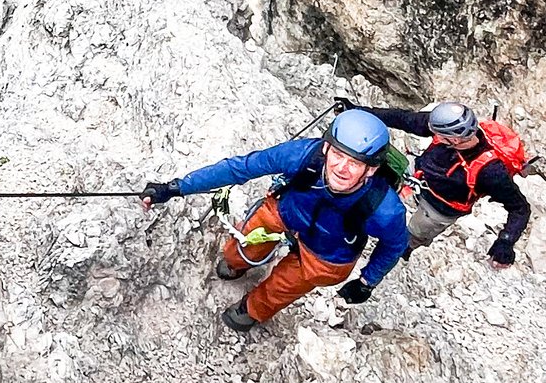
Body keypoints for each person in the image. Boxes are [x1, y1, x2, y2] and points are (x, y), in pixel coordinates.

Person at [142, 109, 412, 332]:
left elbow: (394, 245)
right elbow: (241, 168)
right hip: (287, 213)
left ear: (371, 169)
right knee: (244, 245)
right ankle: (237, 263)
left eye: (354, 162)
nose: (341, 168)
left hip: (328, 253)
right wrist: (177, 187)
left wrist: (367, 281)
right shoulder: (303, 155)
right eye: (338, 155)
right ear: (327, 148)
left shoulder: (384, 210)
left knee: (283, 287)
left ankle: (251, 310)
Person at [366, 100, 530, 266]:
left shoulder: (491, 172)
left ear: (455, 140)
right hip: (420, 176)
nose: (433, 134)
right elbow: (403, 118)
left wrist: (506, 241)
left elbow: (520, 208)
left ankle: (396, 259)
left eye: (439, 135)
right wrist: (363, 112)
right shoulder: (447, 129)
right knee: (375, 159)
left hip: (438, 209)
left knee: (409, 238)